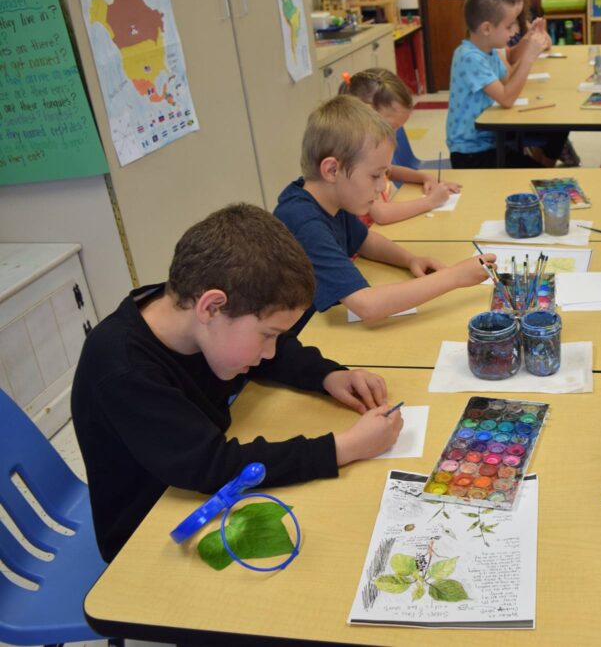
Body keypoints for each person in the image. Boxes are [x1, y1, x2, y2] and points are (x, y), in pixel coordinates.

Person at [71, 204, 404, 562]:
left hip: (194, 494)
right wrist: (343, 447)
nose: (270, 350)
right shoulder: (123, 370)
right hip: (149, 532)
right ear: (211, 307)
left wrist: (327, 375)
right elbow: (214, 466)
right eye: (267, 335)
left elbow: (272, 352)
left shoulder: (191, 315)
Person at [274, 95, 492, 328]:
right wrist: (454, 276)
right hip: (294, 339)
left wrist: (409, 259)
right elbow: (368, 306)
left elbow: (365, 240)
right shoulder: (303, 222)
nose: (381, 187)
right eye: (375, 176)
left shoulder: (330, 198)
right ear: (332, 170)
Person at [446, 0, 567, 168]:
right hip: (472, 154)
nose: (512, 33)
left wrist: (529, 45)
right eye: (508, 27)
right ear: (487, 28)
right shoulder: (469, 57)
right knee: (539, 175)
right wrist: (528, 57)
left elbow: (509, 80)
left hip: (492, 143)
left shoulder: (488, 51)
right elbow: (507, 98)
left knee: (557, 128)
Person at [339, 68, 461, 226]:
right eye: (392, 127)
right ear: (367, 112)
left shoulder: (367, 147)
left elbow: (389, 170)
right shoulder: (353, 154)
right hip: (364, 241)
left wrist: (425, 177)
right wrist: (430, 202)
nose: (394, 135)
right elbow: (382, 214)